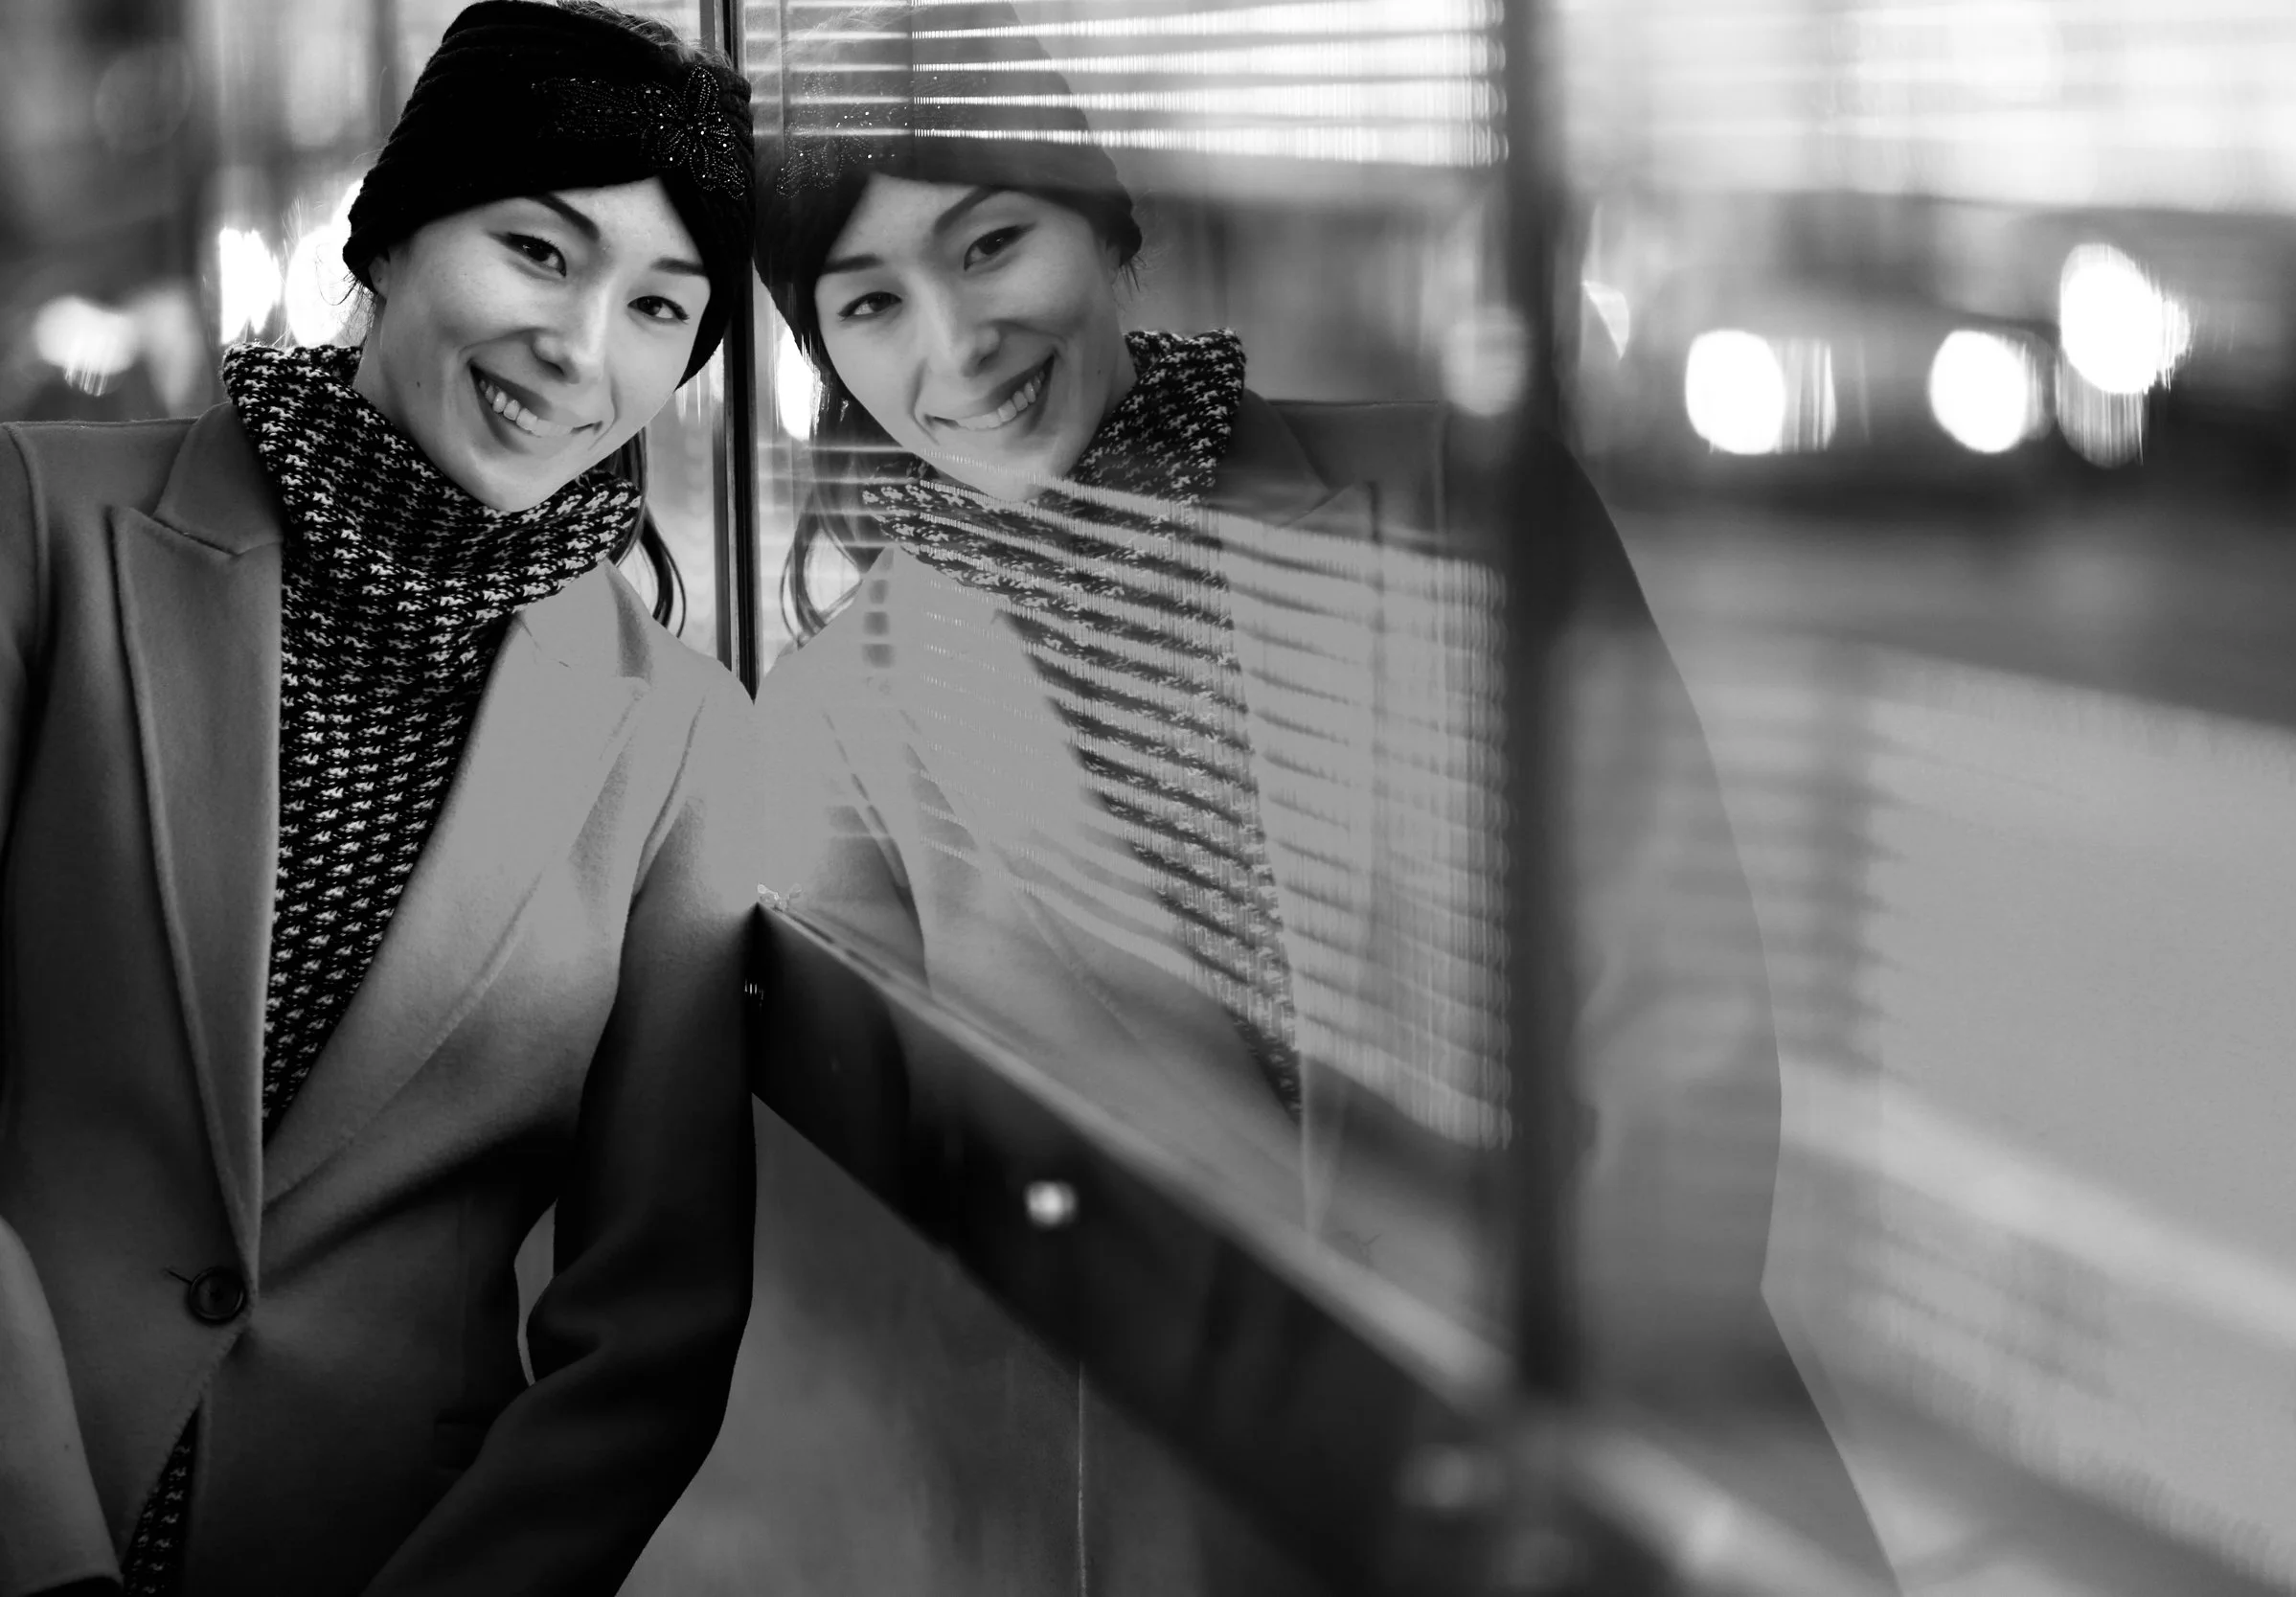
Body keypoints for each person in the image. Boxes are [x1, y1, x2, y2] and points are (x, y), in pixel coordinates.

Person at [739, 4, 1891, 1591]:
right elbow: (903, 1252)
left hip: (1597, 1472)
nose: (955, 341)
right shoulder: (838, 726)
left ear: (1104, 222)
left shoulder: (1461, 508)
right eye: (871, 301)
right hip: (1190, 1522)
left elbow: (1679, 1028)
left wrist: (1558, 1442)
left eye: (991, 243)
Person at [0, 6, 757, 1594]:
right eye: (539, 252)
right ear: (395, 233)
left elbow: (655, 1321)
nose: (581, 344)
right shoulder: (39, 531)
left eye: (661, 306)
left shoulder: (682, 738)